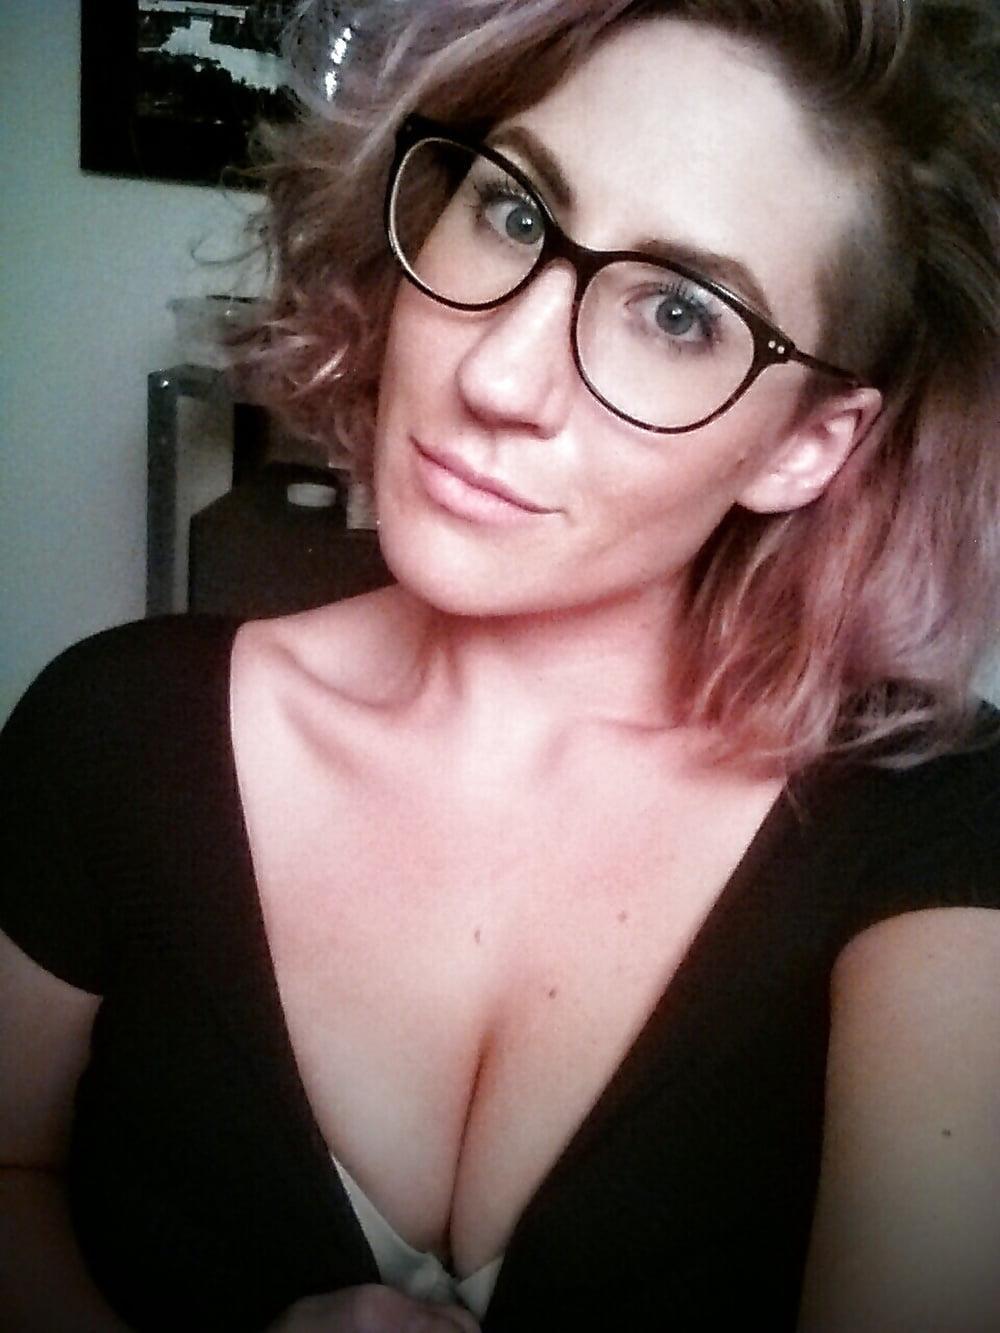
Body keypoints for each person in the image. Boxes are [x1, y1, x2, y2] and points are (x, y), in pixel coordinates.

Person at [2, 0, 999, 1329]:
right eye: (516, 212)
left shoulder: (934, 813)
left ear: (804, 447)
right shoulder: (111, 729)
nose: (501, 376)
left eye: (679, 314)